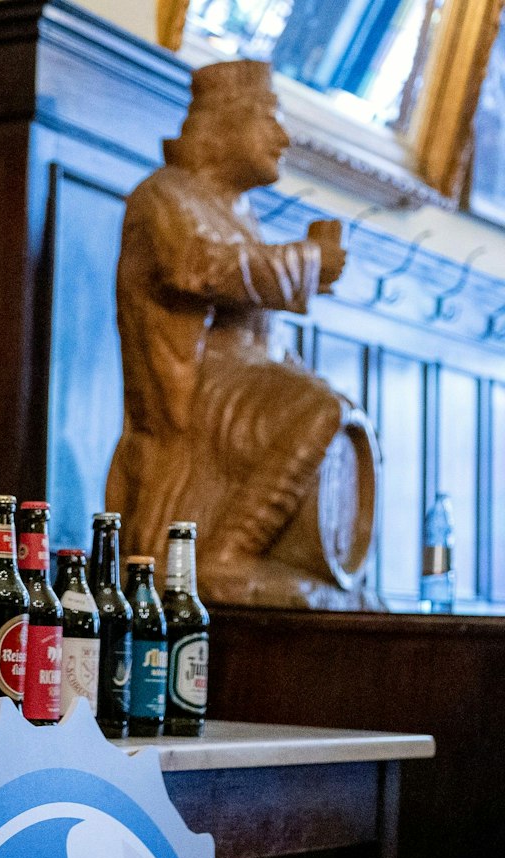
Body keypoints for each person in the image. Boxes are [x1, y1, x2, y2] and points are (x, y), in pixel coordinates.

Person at [109, 59, 355, 604]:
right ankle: (226, 554)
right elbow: (198, 266)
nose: (283, 137)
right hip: (195, 396)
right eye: (269, 118)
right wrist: (308, 260)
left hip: (238, 384)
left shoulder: (236, 211)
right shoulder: (164, 195)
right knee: (317, 408)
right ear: (223, 124)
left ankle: (288, 560)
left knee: (336, 410)